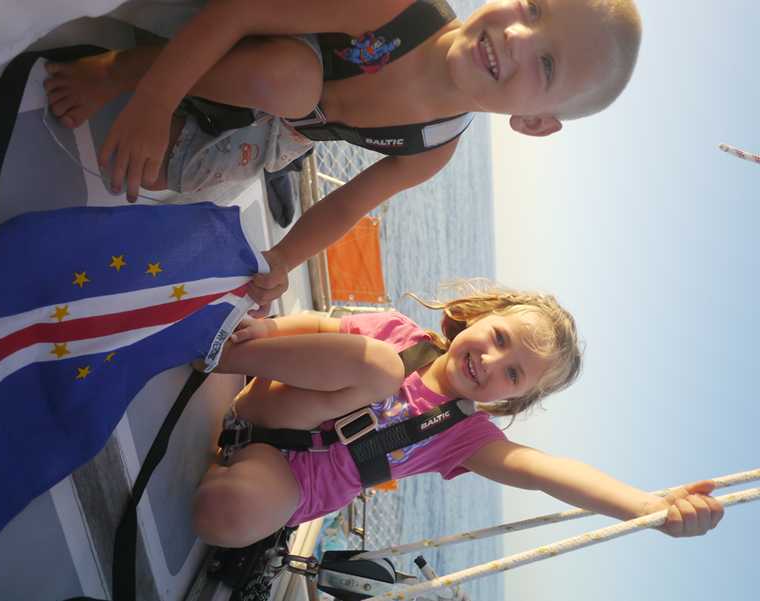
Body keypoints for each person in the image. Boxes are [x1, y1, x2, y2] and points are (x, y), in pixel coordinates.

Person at [43, 0, 643, 313]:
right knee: (290, 80)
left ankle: (183, 96)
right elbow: (241, 11)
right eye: (534, 8)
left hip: (289, 127)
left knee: (158, 172)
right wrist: (151, 98)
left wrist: (282, 260)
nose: (518, 36)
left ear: (534, 123)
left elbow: (347, 206)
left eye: (546, 64)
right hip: (264, 37)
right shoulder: (399, 12)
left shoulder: (433, 146)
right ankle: (120, 67)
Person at [190, 284, 723, 548]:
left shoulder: (465, 438)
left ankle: (234, 472)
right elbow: (317, 325)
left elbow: (546, 473)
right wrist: (270, 330)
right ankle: (221, 352)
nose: (489, 362)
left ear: (515, 399)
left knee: (226, 515)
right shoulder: (397, 334)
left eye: (512, 374)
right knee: (380, 367)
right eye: (499, 338)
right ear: (478, 317)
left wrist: (646, 506)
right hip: (266, 407)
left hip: (290, 480)